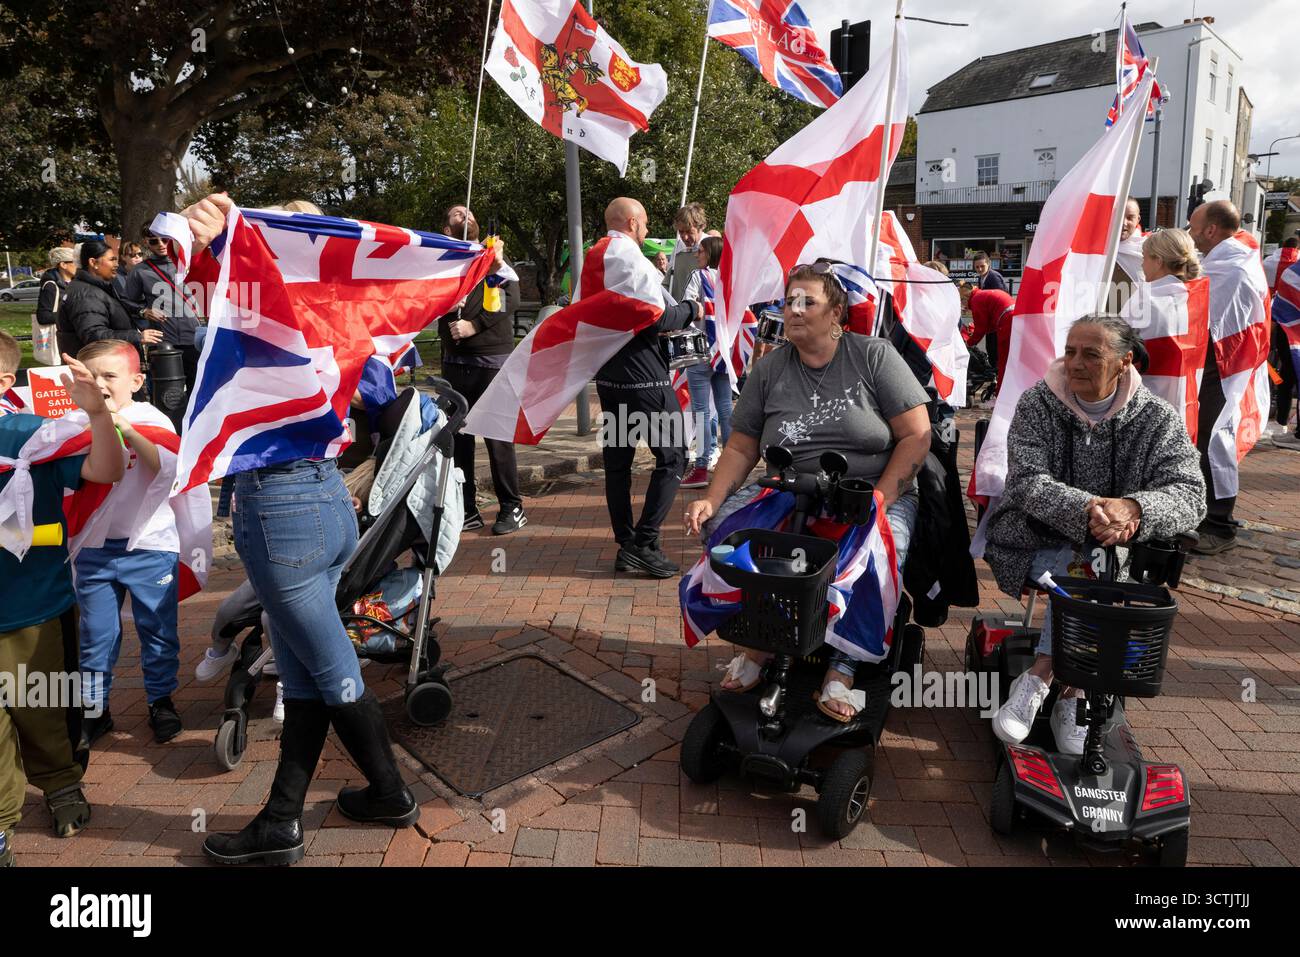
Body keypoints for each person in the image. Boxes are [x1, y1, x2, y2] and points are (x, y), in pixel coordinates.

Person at [178, 195, 420, 867]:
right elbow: (379, 388)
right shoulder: (344, 314)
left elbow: (237, 307)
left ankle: (390, 790)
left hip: (281, 507)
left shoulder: (275, 314)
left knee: (331, 667)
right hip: (326, 502)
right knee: (305, 668)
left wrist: (223, 244)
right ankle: (283, 817)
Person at [684, 263, 931, 719]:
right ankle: (762, 642)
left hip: (869, 491)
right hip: (789, 486)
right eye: (788, 301)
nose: (793, 310)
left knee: (879, 550)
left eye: (807, 302)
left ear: (836, 312)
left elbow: (917, 435)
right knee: (726, 531)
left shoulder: (873, 356)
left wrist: (881, 497)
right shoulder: (770, 367)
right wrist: (711, 498)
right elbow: (741, 445)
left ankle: (843, 666)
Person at [985, 316, 1205, 754]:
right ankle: (1069, 686)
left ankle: (1046, 677)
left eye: (1091, 354)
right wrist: (1092, 510)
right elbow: (1027, 482)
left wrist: (1137, 507)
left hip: (1118, 553)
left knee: (1094, 563)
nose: (1075, 363)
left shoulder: (1156, 418)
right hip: (1032, 538)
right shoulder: (1037, 404)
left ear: (1124, 361)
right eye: (1070, 351)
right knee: (1087, 563)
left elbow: (1191, 493)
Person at [0, 334, 126, 862]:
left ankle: (60, 785)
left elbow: (107, 470)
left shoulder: (35, 437)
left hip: (32, 607)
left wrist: (97, 414)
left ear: (5, 381)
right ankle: (3, 816)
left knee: (42, 707)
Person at [73, 341, 184, 747]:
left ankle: (161, 701)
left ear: (137, 381)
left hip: (149, 546)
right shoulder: (72, 421)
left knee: (157, 629)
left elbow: (166, 470)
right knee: (97, 633)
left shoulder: (153, 418)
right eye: (90, 376)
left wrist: (127, 428)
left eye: (109, 375)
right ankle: (95, 709)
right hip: (94, 550)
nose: (99, 383)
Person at [596, 198, 703, 578]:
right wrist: (692, 309)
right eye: (643, 224)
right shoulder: (630, 259)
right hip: (645, 377)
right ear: (631, 222)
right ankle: (644, 542)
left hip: (610, 377)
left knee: (618, 464)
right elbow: (657, 318)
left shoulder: (594, 258)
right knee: (674, 457)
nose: (646, 231)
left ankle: (627, 544)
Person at [434, 205, 527, 535]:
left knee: (497, 437)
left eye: (468, 212)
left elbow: (510, 297)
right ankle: (467, 507)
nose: (465, 214)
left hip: (491, 361)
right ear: (447, 229)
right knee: (458, 438)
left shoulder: (491, 256)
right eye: (457, 214)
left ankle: (511, 506)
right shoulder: (442, 262)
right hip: (454, 364)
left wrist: (475, 325)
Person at [1187, 200, 1270, 555]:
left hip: (1223, 367)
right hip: (1224, 364)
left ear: (1210, 229)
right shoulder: (1233, 259)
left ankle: (1219, 524)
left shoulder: (1229, 267)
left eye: (1194, 228)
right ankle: (1208, 515)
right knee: (1207, 439)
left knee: (1214, 439)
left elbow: (1204, 316)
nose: (1191, 235)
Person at [122, 227, 203, 391]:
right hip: (165, 343)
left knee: (198, 393)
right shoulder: (140, 271)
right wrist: (144, 311)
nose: (161, 244)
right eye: (154, 241)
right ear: (147, 243)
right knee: (169, 396)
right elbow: (126, 302)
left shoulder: (192, 263)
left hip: (195, 340)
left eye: (165, 239)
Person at [57, 241, 163, 360]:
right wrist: (137, 337)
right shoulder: (86, 295)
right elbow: (93, 335)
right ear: (93, 263)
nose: (116, 264)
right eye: (112, 260)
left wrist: (142, 312)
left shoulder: (96, 288)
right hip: (98, 368)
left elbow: (117, 306)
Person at [681, 236, 730, 489]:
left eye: (701, 251)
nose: (697, 255)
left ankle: (701, 468)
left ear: (710, 254)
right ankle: (732, 467)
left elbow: (687, 308)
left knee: (702, 411)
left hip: (700, 350)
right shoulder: (729, 279)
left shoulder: (698, 276)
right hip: (724, 351)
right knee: (724, 408)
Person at [959, 280, 1015, 391]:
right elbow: (987, 326)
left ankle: (1001, 392)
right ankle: (1008, 388)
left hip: (1007, 320)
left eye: (962, 302)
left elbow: (981, 329)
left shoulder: (976, 300)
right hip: (1012, 316)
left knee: (1003, 359)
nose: (963, 306)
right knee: (1009, 358)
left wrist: (968, 344)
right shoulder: (982, 294)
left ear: (964, 298)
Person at [34, 247, 77, 366]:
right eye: (75, 262)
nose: (78, 266)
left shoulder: (75, 283)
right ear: (63, 264)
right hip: (60, 340)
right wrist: (70, 316)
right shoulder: (51, 286)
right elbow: (43, 316)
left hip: (72, 339)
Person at [664, 203, 707, 302]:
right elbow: (668, 282)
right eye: (681, 232)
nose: (684, 237)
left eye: (689, 232)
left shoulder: (711, 247)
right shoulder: (678, 248)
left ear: (701, 227)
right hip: (679, 311)